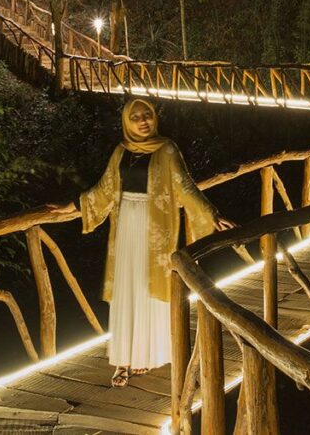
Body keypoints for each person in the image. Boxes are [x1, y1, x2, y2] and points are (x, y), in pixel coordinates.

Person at [51, 98, 235, 387]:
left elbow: (184, 186)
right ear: (127, 121)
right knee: (127, 287)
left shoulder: (167, 148)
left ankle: (146, 357)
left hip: (155, 227)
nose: (142, 121)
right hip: (126, 224)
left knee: (150, 288)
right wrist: (71, 206)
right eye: (135, 117)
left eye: (146, 115)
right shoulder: (121, 151)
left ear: (153, 118)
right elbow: (105, 189)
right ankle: (123, 361)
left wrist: (213, 214)